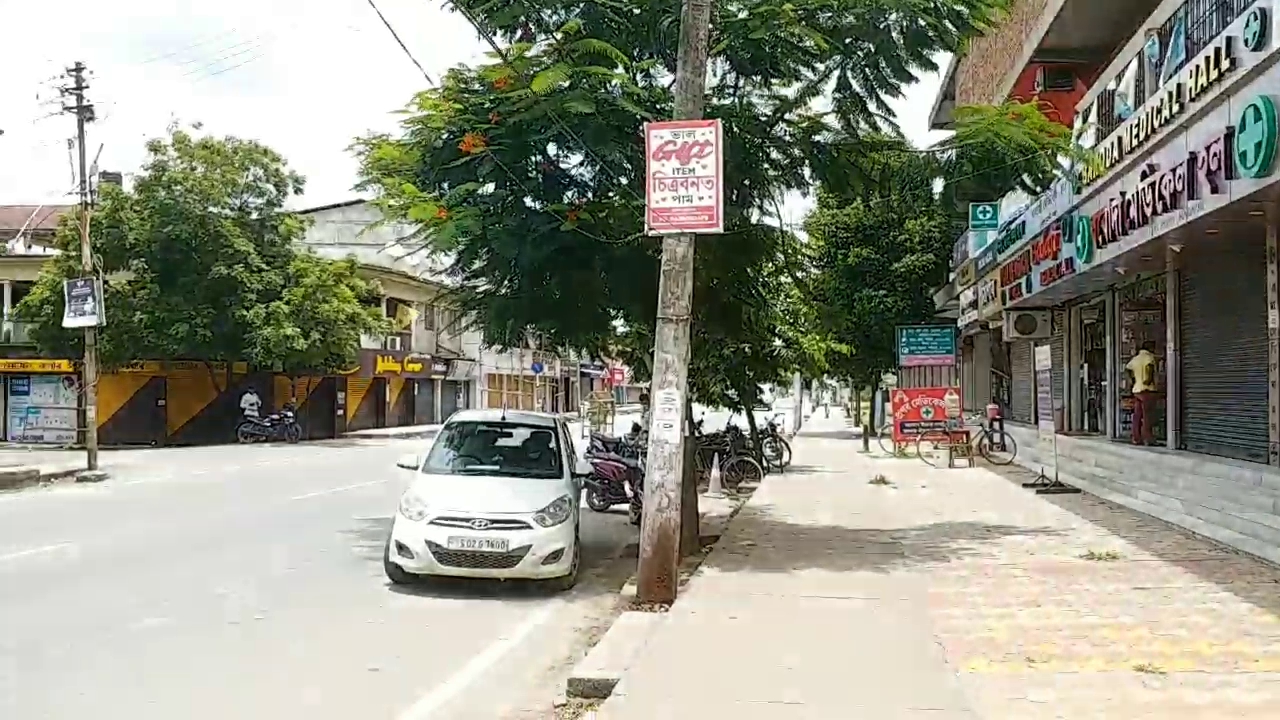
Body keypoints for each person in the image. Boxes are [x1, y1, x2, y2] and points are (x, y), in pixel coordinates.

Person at [1125, 341, 1159, 445]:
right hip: (1147, 390)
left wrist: (1133, 380)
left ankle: (1136, 438)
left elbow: (1127, 369)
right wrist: (1148, 380)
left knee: (1137, 416)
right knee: (1148, 416)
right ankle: (1148, 438)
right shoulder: (1149, 357)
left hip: (1137, 389)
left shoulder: (1136, 359)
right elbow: (1149, 368)